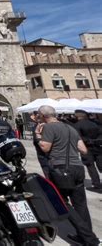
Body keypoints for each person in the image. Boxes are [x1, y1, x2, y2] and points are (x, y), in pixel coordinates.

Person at [35, 105, 99, 246]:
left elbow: (45, 147)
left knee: (63, 203)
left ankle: (89, 239)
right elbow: (83, 149)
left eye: (38, 114)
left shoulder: (48, 128)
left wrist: (38, 135)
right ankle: (84, 236)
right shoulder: (70, 128)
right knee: (81, 205)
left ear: (43, 115)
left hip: (61, 169)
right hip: (77, 168)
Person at [74, 109, 102, 190]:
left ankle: (97, 184)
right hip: (97, 146)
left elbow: (78, 138)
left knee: (91, 167)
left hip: (86, 147)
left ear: (78, 116)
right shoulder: (95, 123)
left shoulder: (77, 125)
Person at [29, 111, 50, 178]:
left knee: (48, 173)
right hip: (52, 154)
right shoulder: (50, 125)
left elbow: (36, 140)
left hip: (43, 154)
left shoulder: (37, 127)